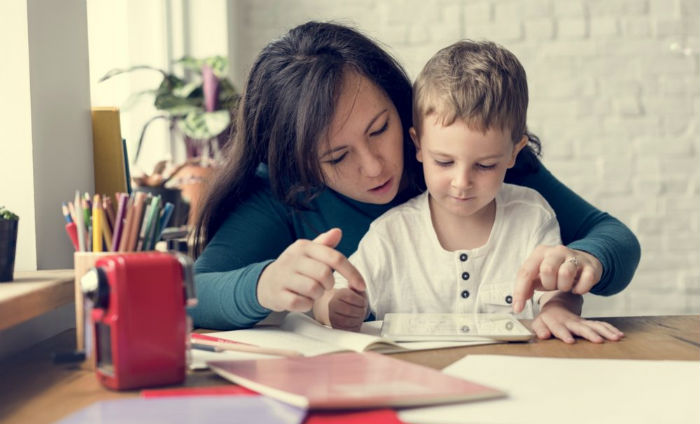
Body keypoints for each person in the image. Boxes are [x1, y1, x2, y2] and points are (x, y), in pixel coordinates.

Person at [191, 21, 640, 333]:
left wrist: (579, 266)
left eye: (379, 129)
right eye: (336, 155)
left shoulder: (471, 151)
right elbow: (193, 296)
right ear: (299, 162)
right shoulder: (280, 190)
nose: (375, 166)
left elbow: (611, 236)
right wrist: (264, 284)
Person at [313, 40, 625, 343]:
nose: (462, 182)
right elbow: (335, 294)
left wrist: (559, 308)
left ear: (514, 153)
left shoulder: (531, 216)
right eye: (444, 161)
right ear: (418, 145)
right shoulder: (391, 234)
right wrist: (334, 307)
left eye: (486, 165)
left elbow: (554, 288)